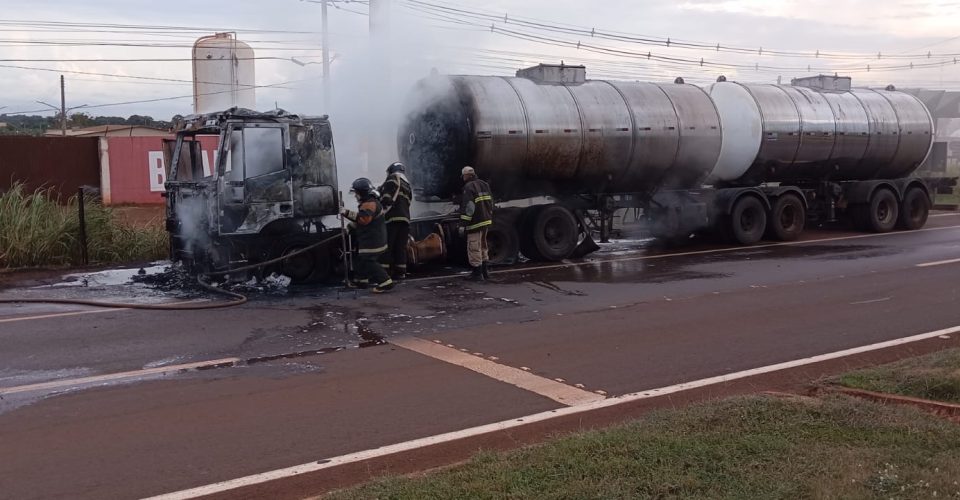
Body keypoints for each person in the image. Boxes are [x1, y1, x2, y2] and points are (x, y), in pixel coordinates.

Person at [341, 178, 393, 293]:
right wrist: (351, 226)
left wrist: (345, 212)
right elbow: (363, 221)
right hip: (372, 238)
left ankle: (385, 281)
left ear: (362, 192)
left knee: (368, 260)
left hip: (373, 240)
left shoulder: (370, 204)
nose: (355, 196)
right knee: (361, 258)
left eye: (356, 193)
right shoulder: (369, 202)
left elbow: (364, 219)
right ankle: (361, 280)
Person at [459, 166, 494, 281]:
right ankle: (485, 272)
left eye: (463, 176)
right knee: (483, 246)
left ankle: (477, 274)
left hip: (475, 223)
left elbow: (469, 207)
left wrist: (463, 224)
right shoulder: (484, 184)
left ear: (467, 176)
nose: (463, 178)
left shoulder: (468, 187)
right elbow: (491, 202)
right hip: (486, 221)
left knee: (474, 247)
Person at [379, 161, 413, 280]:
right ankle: (401, 272)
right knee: (400, 247)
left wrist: (381, 203)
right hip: (405, 220)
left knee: (387, 246)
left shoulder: (393, 178)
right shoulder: (407, 184)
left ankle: (384, 273)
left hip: (392, 218)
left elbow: (387, 198)